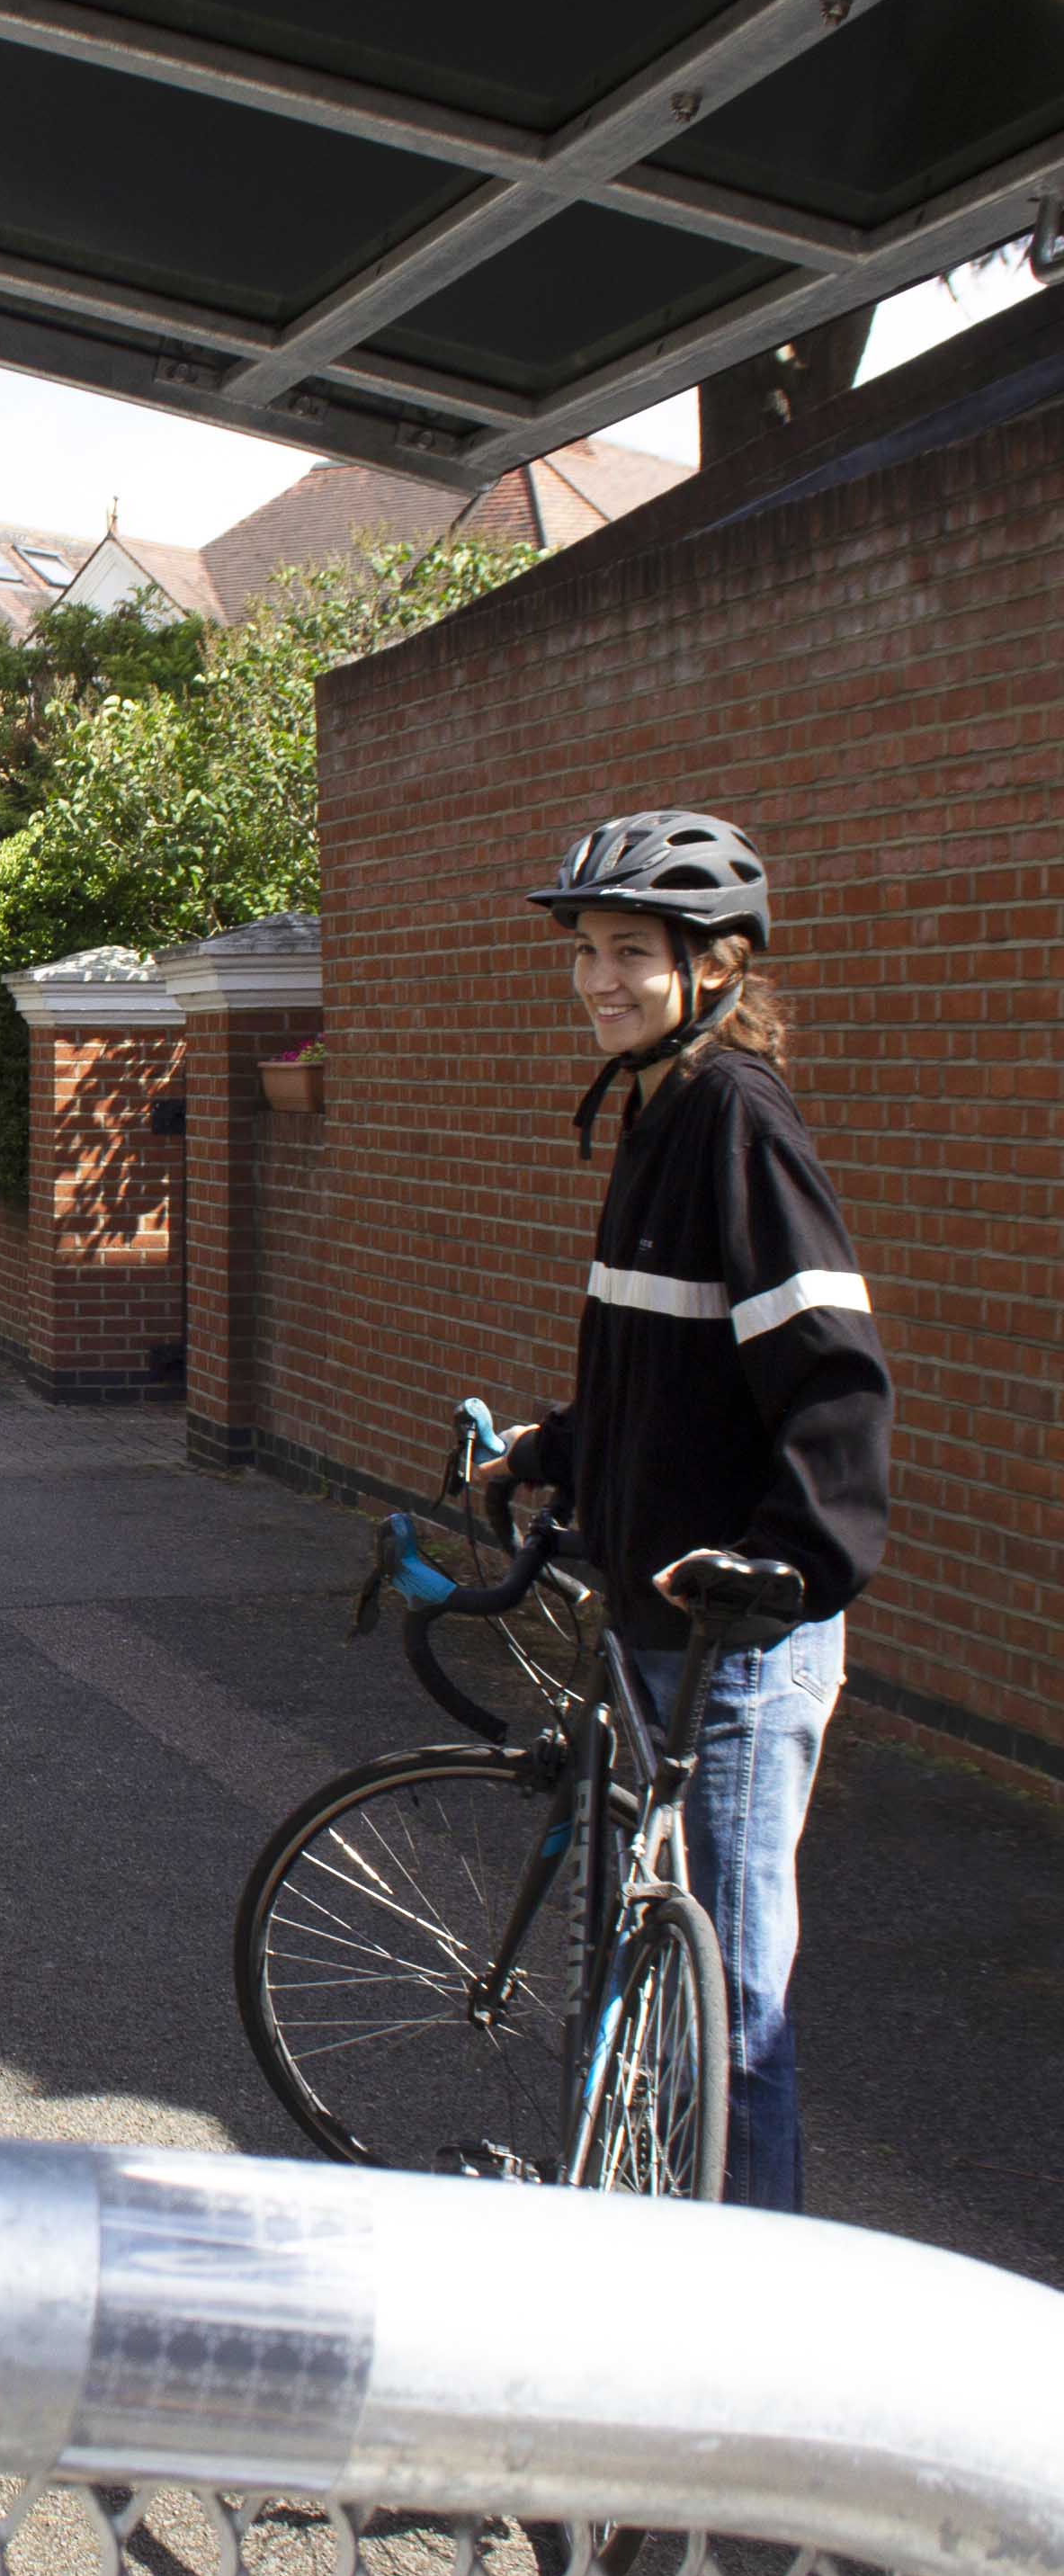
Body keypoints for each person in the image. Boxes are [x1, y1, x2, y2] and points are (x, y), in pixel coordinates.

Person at [475, 809, 892, 2211]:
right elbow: (673, 1369)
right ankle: (644, 2228)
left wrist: (791, 1560)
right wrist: (560, 1449)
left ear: (713, 967)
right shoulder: (659, 1112)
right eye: (586, 951)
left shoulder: (738, 1121)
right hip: (654, 1612)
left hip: (739, 1643)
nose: (599, 978)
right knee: (652, 1956)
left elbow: (831, 1367)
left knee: (732, 2000)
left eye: (632, 953)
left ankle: (749, 2305)